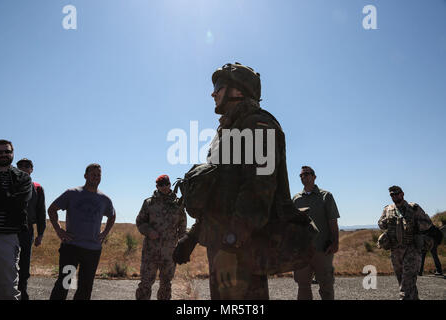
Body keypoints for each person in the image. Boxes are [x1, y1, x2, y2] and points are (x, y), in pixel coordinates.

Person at [173, 62, 294, 300]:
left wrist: (231, 245)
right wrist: (192, 237)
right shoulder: (228, 132)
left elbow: (258, 194)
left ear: (239, 90)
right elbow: (219, 197)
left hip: (242, 252)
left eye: (219, 86)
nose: (213, 92)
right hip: (226, 250)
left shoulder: (258, 125)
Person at [48, 163, 116, 300]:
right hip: (72, 247)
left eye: (98, 175)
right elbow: (52, 209)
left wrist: (104, 233)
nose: (96, 177)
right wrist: (59, 230)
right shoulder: (72, 193)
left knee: (85, 287)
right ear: (85, 176)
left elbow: (112, 215)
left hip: (92, 249)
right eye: (93, 174)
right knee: (65, 283)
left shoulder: (104, 199)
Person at [135, 174, 187, 300]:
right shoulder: (149, 203)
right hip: (150, 251)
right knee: (145, 283)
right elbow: (140, 222)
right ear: (157, 186)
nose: (164, 187)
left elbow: (182, 225)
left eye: (166, 184)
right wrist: (148, 231)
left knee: (166, 285)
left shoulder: (178, 204)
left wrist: (180, 244)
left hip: (169, 252)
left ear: (170, 184)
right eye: (160, 185)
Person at [292, 166, 340, 300]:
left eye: (307, 174)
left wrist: (335, 242)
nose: (303, 177)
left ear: (314, 177)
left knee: (326, 286)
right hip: (302, 251)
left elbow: (332, 221)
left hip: (322, 249)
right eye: (301, 175)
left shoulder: (326, 196)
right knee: (303, 286)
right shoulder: (296, 199)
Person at [378, 185, 433, 300]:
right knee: (405, 283)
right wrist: (385, 222)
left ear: (402, 194)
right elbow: (380, 224)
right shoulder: (388, 209)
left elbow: (428, 223)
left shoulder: (413, 208)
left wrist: (415, 224)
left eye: (397, 193)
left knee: (406, 284)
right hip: (395, 251)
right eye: (392, 195)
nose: (394, 196)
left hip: (411, 250)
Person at [0, 139, 32, 300]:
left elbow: (19, 203)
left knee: (7, 288)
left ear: (12, 153)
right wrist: (8, 198)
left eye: (7, 151)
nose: (3, 154)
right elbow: (12, 201)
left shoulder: (23, 178)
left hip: (7, 236)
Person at [16, 158, 46, 300]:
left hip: (27, 231)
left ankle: (23, 292)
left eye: (27, 166)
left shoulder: (37, 187)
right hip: (8, 230)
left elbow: (41, 212)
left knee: (24, 263)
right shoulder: (9, 184)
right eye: (20, 165)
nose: (23, 168)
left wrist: (40, 234)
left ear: (31, 169)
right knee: (6, 263)